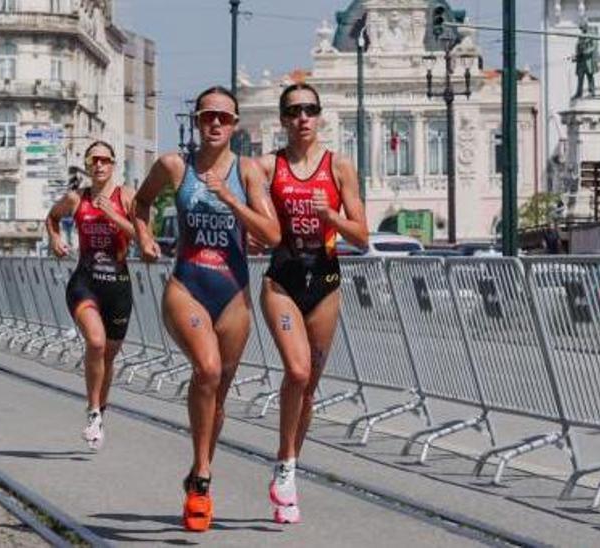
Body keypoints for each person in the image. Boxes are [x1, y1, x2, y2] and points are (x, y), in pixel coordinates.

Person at [133, 86, 280, 532]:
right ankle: (200, 477)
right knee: (208, 370)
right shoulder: (174, 166)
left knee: (217, 394)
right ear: (196, 122)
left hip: (233, 292)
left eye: (224, 117)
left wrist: (232, 200)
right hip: (187, 284)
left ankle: (201, 473)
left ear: (235, 126)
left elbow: (272, 235)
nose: (215, 124)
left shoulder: (249, 172)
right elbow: (140, 202)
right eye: (206, 116)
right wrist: (144, 235)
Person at [257, 83, 369, 524]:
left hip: (324, 281)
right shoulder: (270, 166)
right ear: (283, 119)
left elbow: (361, 237)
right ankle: (285, 467)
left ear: (320, 116)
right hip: (282, 280)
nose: (303, 117)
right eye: (294, 110)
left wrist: (332, 218)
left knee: (309, 388)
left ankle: (288, 467)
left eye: (311, 110)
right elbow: (252, 211)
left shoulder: (339, 167)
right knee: (297, 371)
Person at [46, 140, 136, 451]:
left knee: (108, 357)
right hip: (85, 283)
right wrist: (55, 239)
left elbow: (143, 235)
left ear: (113, 165)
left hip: (118, 286)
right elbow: (52, 217)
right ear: (87, 165)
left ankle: (100, 415)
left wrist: (113, 215)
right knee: (95, 343)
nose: (99, 165)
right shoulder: (76, 198)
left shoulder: (126, 196)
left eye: (105, 160)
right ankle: (93, 410)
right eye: (93, 160)